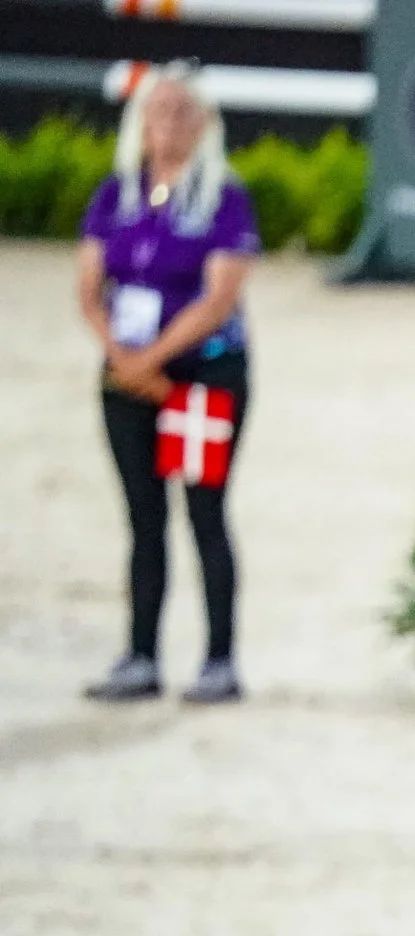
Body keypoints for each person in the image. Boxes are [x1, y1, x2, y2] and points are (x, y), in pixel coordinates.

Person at [74, 63, 260, 703]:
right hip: (127, 373)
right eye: (159, 110)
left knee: (203, 508)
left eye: (183, 111)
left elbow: (218, 298)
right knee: (143, 514)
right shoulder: (116, 194)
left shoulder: (223, 199)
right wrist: (121, 356)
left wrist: (154, 356)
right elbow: (89, 286)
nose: (170, 123)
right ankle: (142, 653)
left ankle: (219, 658)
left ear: (204, 122)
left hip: (201, 373)